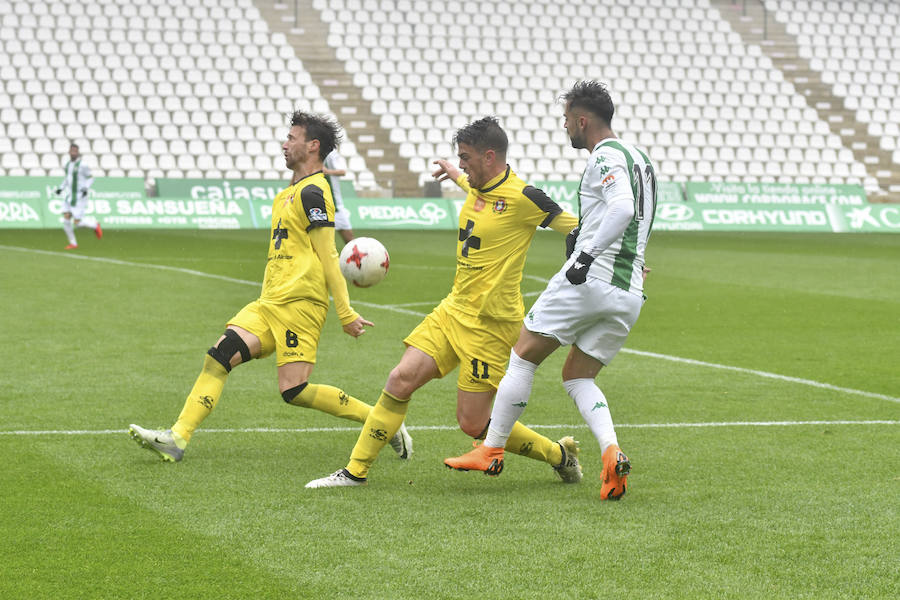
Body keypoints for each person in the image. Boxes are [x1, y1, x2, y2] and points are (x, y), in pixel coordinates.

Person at [306, 116, 582, 488]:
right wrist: (454, 172)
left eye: (466, 158)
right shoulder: (476, 184)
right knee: (400, 379)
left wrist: (627, 259)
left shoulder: (523, 198)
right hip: (453, 310)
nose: (463, 165)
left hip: (491, 325)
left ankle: (559, 455)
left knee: (472, 423)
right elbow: (467, 182)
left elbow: (578, 227)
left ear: (489, 157)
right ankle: (355, 472)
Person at [129, 111, 412, 462]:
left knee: (293, 390)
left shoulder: (313, 192)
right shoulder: (287, 195)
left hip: (301, 304)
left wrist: (345, 312)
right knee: (219, 357)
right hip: (270, 302)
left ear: (312, 146)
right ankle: (177, 438)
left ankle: (381, 421)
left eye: (291, 138)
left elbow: (328, 255)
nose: (284, 143)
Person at [444, 81, 658, 501]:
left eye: (565, 120)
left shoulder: (604, 157)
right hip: (629, 289)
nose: (564, 128)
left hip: (591, 278)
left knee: (522, 356)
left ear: (582, 120)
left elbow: (623, 209)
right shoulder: (642, 159)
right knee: (578, 376)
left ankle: (491, 450)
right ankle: (611, 452)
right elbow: (637, 217)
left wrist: (585, 255)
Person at [55, 142, 101, 249]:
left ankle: (94, 224)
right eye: (72, 151)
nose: (73, 153)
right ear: (69, 152)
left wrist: (86, 188)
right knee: (66, 219)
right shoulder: (68, 165)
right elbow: (67, 178)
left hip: (79, 196)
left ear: (78, 153)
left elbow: (90, 178)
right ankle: (73, 243)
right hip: (70, 196)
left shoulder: (83, 165)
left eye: (75, 151)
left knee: (77, 223)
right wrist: (61, 188)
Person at [322, 149, 355, 244]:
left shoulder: (331, 153)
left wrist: (327, 171)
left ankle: (355, 258)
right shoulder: (309, 153)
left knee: (350, 242)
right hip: (319, 206)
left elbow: (342, 171)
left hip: (335, 207)